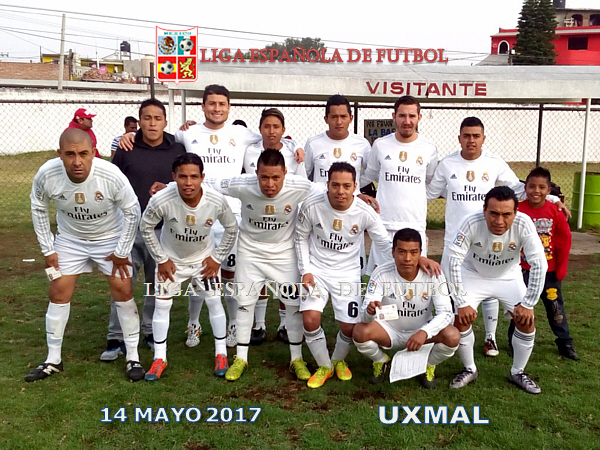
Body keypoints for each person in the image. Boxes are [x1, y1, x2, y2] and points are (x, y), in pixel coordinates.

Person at [427, 117, 566, 358]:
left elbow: (519, 188)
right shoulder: (447, 164)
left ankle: (490, 338)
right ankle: (446, 337)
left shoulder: (494, 162)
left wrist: (552, 198)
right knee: (455, 296)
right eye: (466, 135)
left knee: (490, 282)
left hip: (491, 236)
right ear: (459, 138)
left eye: (476, 136)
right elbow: (429, 192)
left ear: (483, 138)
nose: (471, 140)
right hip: (456, 240)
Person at [26, 128, 142, 382]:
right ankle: (53, 360)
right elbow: (38, 208)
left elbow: (133, 211)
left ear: (93, 153)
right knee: (58, 291)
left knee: (123, 289)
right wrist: (48, 249)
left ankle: (133, 357)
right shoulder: (47, 173)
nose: (77, 161)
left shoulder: (110, 174)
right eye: (70, 154)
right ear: (59, 154)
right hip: (70, 240)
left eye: (83, 154)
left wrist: (122, 251)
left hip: (110, 238)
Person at [206, 149, 316, 381]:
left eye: (276, 177)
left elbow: (329, 191)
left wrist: (360, 196)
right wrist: (168, 186)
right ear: (255, 173)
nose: (270, 184)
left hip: (285, 254)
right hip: (250, 252)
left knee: (293, 306)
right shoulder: (242, 184)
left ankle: (296, 359)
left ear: (285, 173)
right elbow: (208, 181)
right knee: (245, 303)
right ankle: (241, 358)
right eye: (264, 177)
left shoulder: (299, 186)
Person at [295, 162, 394, 389]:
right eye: (335, 185)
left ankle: (338, 360)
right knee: (310, 319)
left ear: (355, 186)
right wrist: (306, 270)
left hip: (348, 273)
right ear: (327, 184)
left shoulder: (365, 212)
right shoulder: (312, 205)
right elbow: (300, 237)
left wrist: (410, 262)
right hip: (317, 270)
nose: (341, 191)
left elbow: (383, 242)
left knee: (349, 327)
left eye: (346, 186)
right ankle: (324, 366)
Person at [139, 153, 238, 380]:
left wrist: (217, 258)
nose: (188, 182)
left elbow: (232, 228)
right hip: (172, 261)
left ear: (202, 177)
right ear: (174, 176)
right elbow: (146, 227)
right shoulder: (161, 199)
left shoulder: (216, 200)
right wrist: (161, 259)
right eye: (182, 176)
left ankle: (221, 353)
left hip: (204, 260)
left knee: (214, 301)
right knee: (162, 305)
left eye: (194, 176)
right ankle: (159, 358)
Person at [102, 99, 185, 362]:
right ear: (139, 121)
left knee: (155, 283)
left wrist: (168, 188)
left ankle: (150, 331)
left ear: (165, 121)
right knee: (123, 282)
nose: (152, 123)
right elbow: (111, 185)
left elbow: (185, 182)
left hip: (163, 230)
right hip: (129, 229)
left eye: (157, 118)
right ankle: (116, 337)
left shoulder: (176, 148)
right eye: (146, 118)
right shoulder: (126, 147)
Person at [447, 186, 547, 394]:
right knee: (461, 318)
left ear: (515, 213)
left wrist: (528, 304)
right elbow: (452, 261)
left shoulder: (524, 223)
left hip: (508, 276)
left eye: (506, 214)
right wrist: (461, 302)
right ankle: (469, 368)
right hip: (473, 274)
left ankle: (517, 372)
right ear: (484, 210)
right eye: (493, 213)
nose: (499, 221)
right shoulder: (470, 222)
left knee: (526, 321)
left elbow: (539, 264)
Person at [353, 228, 459, 387]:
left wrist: (424, 332)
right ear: (393, 252)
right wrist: (370, 312)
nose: (407, 258)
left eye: (413, 252)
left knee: (452, 336)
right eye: (401, 252)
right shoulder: (381, 273)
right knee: (360, 332)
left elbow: (446, 313)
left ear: (420, 253)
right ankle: (381, 361)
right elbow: (364, 316)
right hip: (389, 331)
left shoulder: (433, 274)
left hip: (421, 331)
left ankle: (427, 365)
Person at [242, 108, 307, 346]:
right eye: (267, 126)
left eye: (276, 127)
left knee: (285, 279)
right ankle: (259, 325)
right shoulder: (249, 150)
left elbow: (303, 186)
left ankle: (284, 324)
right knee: (256, 277)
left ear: (283, 130)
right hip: (256, 221)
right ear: (259, 129)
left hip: (285, 224)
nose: (271, 131)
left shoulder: (294, 153)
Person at [363, 95, 438, 275]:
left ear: (419, 117)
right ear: (394, 116)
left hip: (415, 225)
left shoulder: (429, 147)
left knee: (415, 281)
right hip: (384, 225)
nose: (407, 121)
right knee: (381, 279)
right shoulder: (380, 145)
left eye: (412, 116)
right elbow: (369, 176)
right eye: (402, 115)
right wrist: (355, 192)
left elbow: (431, 181)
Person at [511, 167, 578, 360]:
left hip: (549, 272)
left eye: (541, 187)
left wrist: (561, 269)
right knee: (520, 306)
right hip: (523, 270)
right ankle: (515, 341)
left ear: (549, 191)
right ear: (525, 188)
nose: (536, 191)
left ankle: (565, 343)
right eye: (531, 186)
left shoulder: (555, 211)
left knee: (555, 308)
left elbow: (564, 242)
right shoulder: (517, 211)